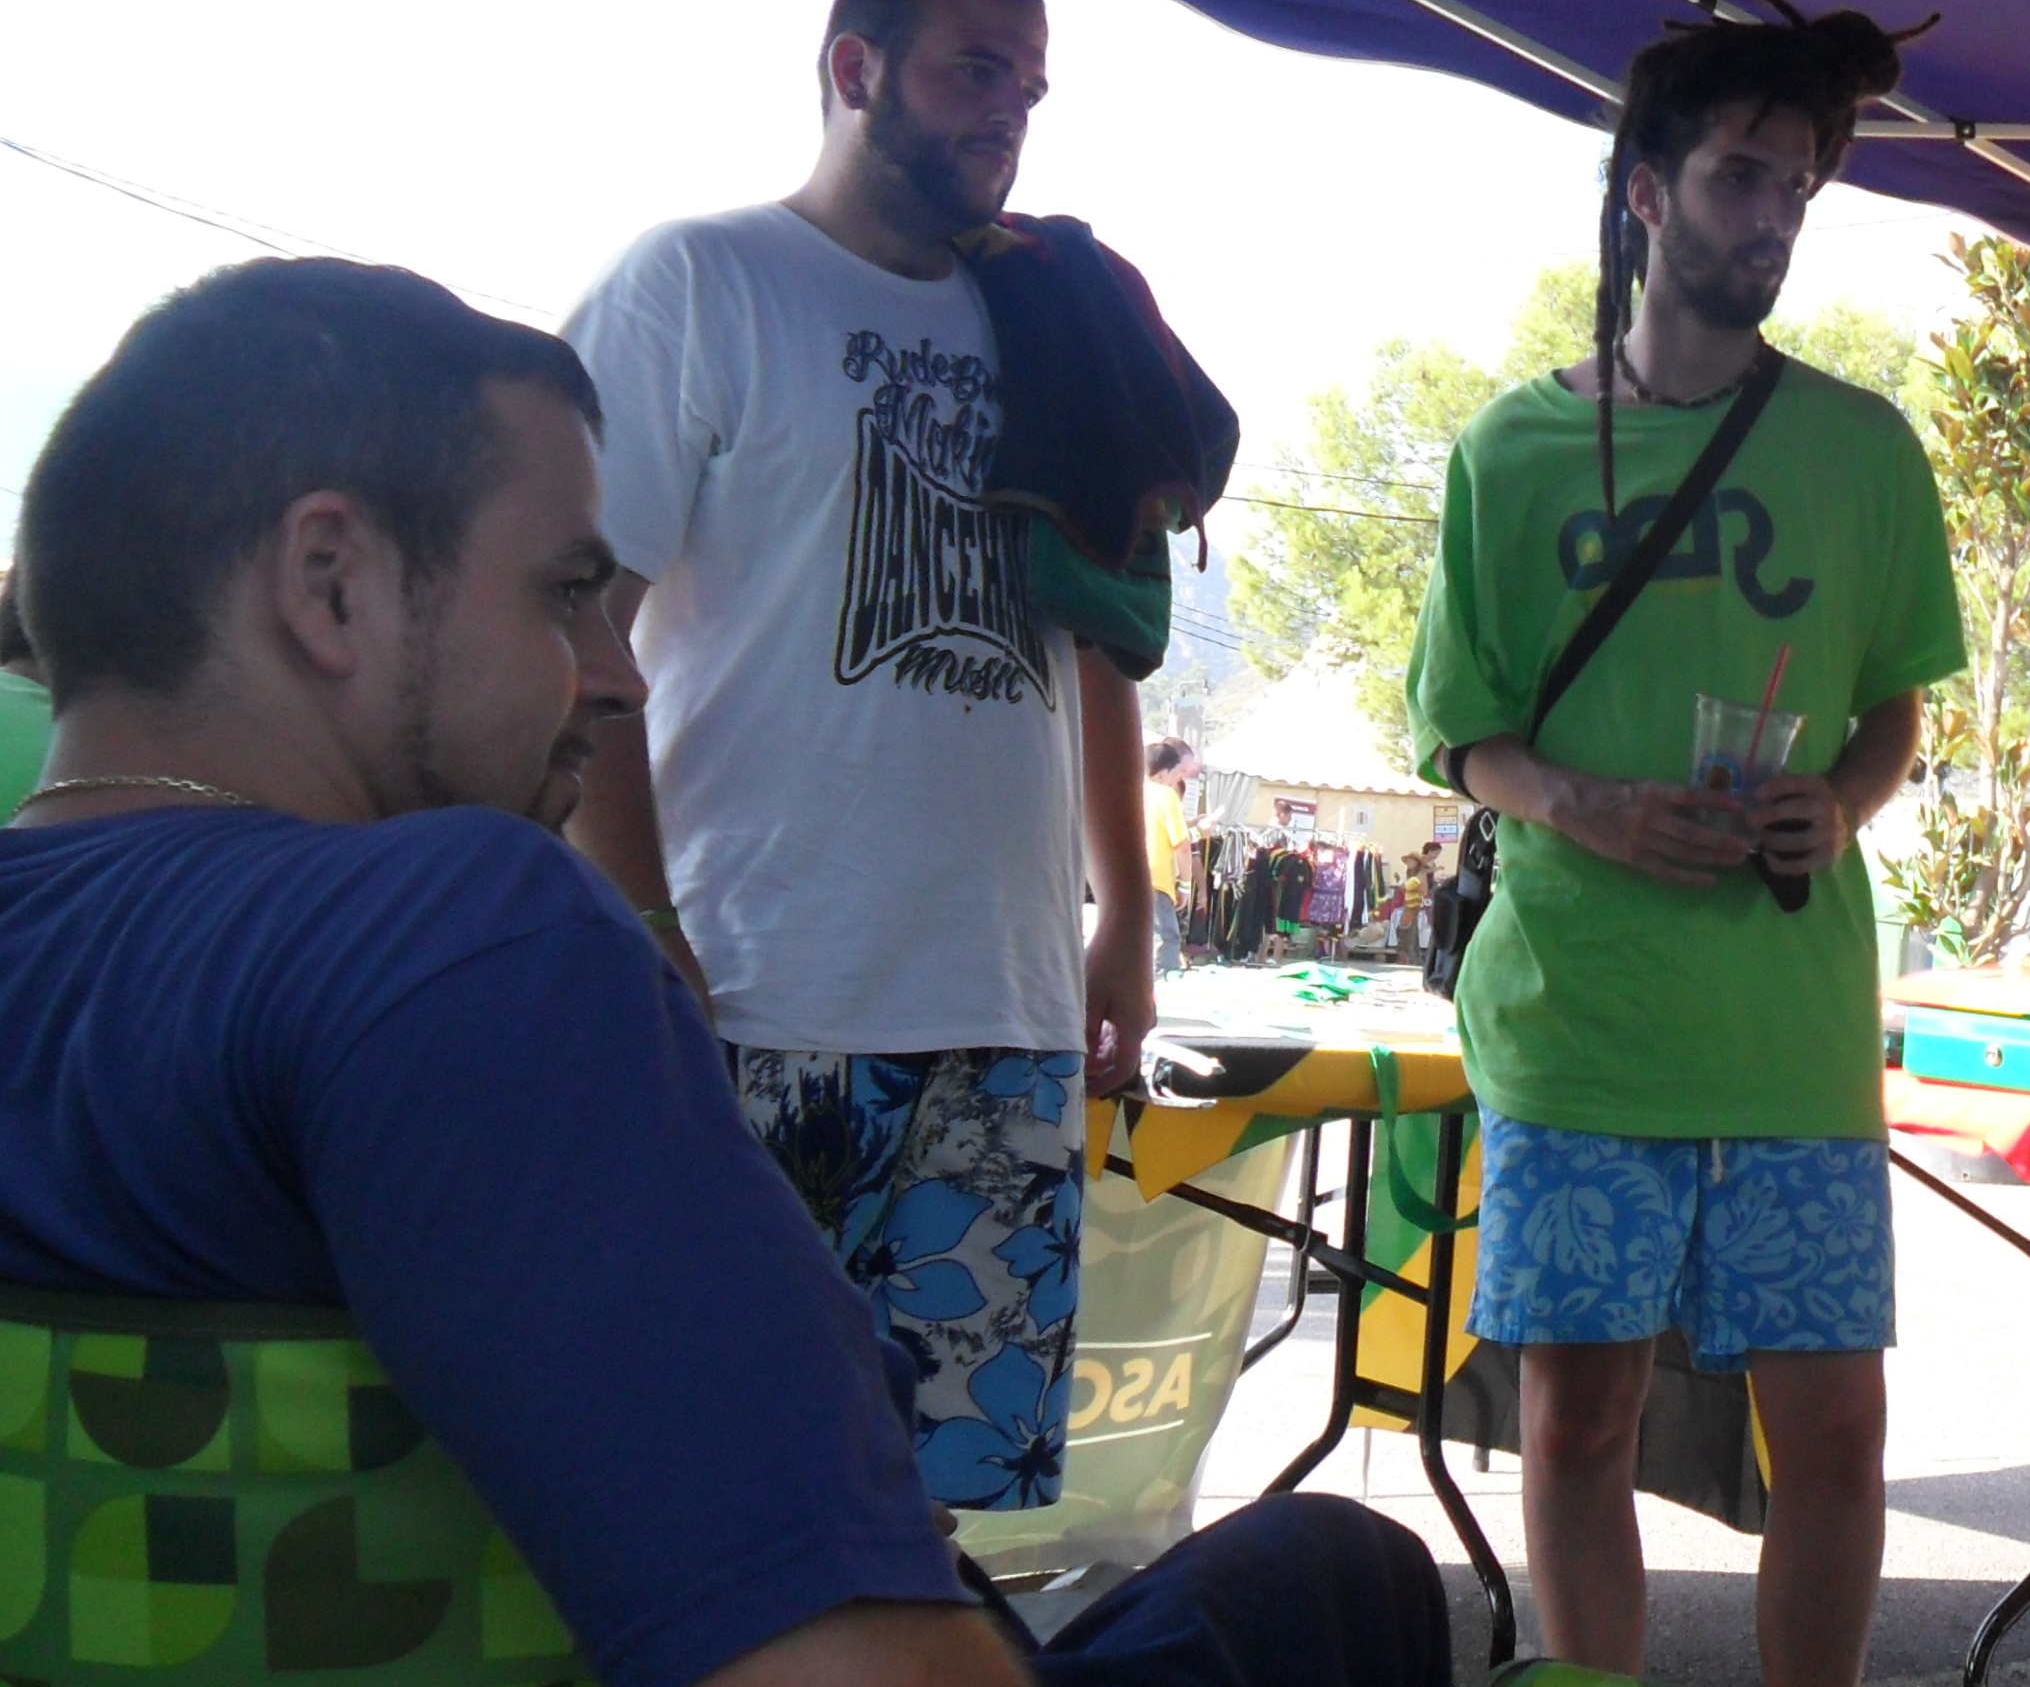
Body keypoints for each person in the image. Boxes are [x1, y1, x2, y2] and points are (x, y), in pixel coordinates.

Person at [0, 259, 1447, 1687]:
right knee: (1340, 1572)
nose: (619, 673)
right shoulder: (454, 934)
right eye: (568, 593)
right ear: (332, 586)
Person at [1406, 1, 1963, 1687]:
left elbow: (1893, 707)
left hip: (1790, 1034)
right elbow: (1460, 732)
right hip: (1579, 1024)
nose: (1772, 217)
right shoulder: (1511, 449)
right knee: (1576, 1424)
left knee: (1837, 1438)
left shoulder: (1864, 449)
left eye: (1796, 188)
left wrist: (1842, 801)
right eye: (1739, 178)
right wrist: (1582, 801)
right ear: (1644, 193)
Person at [562, 0, 1157, 1511]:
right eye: (977, 70)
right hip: (760, 991)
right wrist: (641, 924)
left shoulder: (1050, 317)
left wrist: (1129, 912)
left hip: (1007, 1009)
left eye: (1031, 87)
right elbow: (574, 624)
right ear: (854, 68)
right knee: (711, 1476)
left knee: (944, 1495)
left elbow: (1103, 633)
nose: (1011, 111)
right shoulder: (699, 281)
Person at [1150, 736, 1202, 973]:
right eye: (1179, 772)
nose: (1181, 779)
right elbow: (1182, 845)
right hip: (1157, 879)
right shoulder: (1166, 795)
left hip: (1126, 879)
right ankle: (1160, 984)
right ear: (1164, 772)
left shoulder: (1130, 791)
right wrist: (1185, 886)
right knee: (1166, 939)